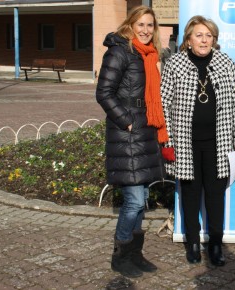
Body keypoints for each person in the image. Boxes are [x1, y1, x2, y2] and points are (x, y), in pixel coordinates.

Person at [160, 15, 235, 267]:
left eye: (208, 35)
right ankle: (191, 242)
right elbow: (163, 105)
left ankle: (215, 244)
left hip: (218, 143)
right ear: (188, 39)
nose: (204, 39)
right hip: (185, 144)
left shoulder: (225, 63)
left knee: (215, 196)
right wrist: (167, 144)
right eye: (199, 35)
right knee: (189, 195)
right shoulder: (175, 64)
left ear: (214, 39)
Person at [95, 5, 167, 278]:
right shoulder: (120, 51)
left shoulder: (146, 55)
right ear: (130, 25)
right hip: (128, 131)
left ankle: (135, 254)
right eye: (141, 25)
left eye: (150, 25)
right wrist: (126, 120)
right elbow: (104, 93)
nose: (146, 30)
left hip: (145, 128)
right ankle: (120, 256)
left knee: (142, 197)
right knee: (135, 199)